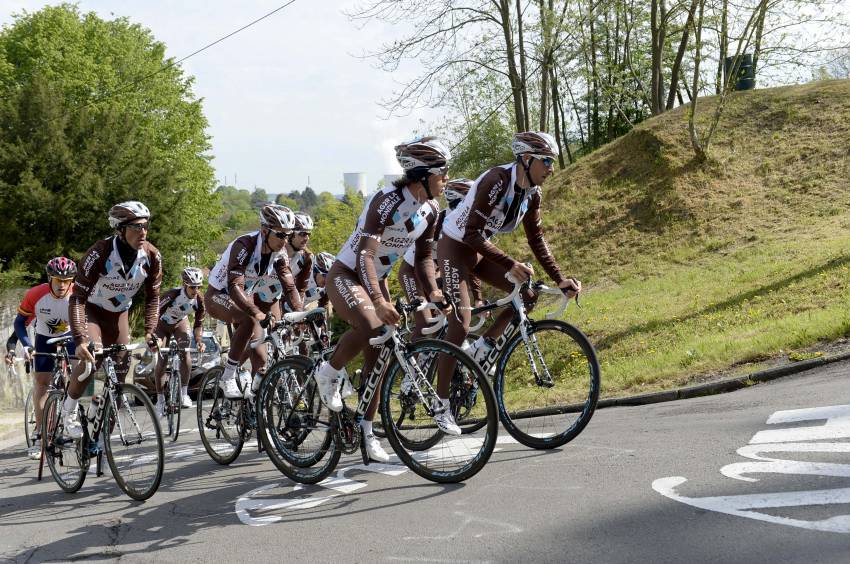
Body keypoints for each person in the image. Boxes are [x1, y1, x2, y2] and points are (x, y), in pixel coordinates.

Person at [318, 136, 455, 463]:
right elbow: (366, 256)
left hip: (375, 280)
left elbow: (423, 257)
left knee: (379, 360)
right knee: (371, 324)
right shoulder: (386, 201)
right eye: (441, 172)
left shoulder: (431, 210)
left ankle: (367, 432)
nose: (446, 178)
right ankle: (329, 370)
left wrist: (434, 290)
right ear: (422, 174)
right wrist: (379, 300)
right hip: (347, 275)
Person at [436, 131, 582, 395]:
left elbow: (536, 239)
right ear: (526, 158)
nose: (551, 168)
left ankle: (482, 348)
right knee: (461, 324)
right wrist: (511, 262)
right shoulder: (497, 181)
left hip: (478, 250)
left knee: (527, 293)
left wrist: (559, 278)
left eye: (553, 162)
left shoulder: (532, 194)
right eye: (546, 161)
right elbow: (471, 233)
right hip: (455, 247)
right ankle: (441, 401)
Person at [65, 201, 162, 439]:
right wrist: (79, 339)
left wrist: (150, 330)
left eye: (145, 226)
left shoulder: (151, 256)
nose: (143, 232)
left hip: (119, 314)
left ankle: (101, 439)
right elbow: (77, 298)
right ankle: (68, 411)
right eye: (136, 227)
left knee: (120, 374)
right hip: (93, 311)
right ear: (120, 229)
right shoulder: (100, 253)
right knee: (92, 358)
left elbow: (153, 297)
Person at [205, 204, 303, 400]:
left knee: (260, 353)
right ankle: (228, 375)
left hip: (244, 299)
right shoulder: (245, 246)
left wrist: (300, 313)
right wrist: (256, 312)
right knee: (250, 320)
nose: (285, 241)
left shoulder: (279, 254)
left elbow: (289, 286)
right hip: (219, 295)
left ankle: (251, 409)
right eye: (280, 235)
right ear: (265, 230)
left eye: (288, 235)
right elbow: (234, 287)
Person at [397, 179, 484, 340]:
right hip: (412, 272)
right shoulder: (440, 222)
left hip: (435, 272)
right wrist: (434, 291)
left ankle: (434, 356)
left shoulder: (467, 224)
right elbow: (422, 262)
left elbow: (469, 263)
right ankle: (413, 361)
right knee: (425, 323)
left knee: (445, 319)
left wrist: (478, 298)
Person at [14, 257, 77, 458]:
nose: (62, 284)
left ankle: (71, 415)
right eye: (58, 279)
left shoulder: (78, 293)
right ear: (49, 278)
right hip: (44, 337)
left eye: (67, 280)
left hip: (71, 336)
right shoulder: (36, 294)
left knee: (81, 372)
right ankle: (39, 434)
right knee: (42, 383)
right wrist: (27, 345)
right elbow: (19, 322)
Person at [153, 267, 206, 414]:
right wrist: (152, 336)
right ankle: (160, 400)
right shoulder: (172, 295)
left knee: (186, 353)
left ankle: (184, 393)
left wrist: (199, 340)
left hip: (180, 323)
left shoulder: (200, 300)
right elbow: (154, 314)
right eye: (192, 287)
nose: (195, 290)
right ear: (185, 284)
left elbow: (198, 324)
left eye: (198, 287)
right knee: (162, 361)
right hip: (162, 325)